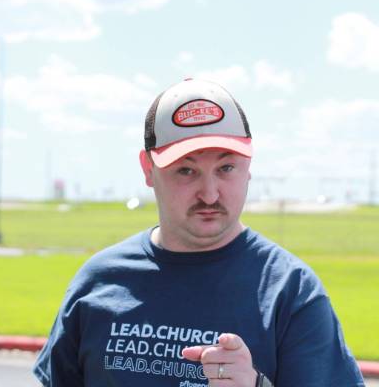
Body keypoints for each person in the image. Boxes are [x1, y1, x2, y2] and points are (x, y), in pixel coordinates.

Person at [33, 78, 364, 387]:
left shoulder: (289, 291)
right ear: (148, 169)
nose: (209, 194)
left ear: (248, 167)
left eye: (226, 168)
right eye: (186, 170)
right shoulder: (98, 281)